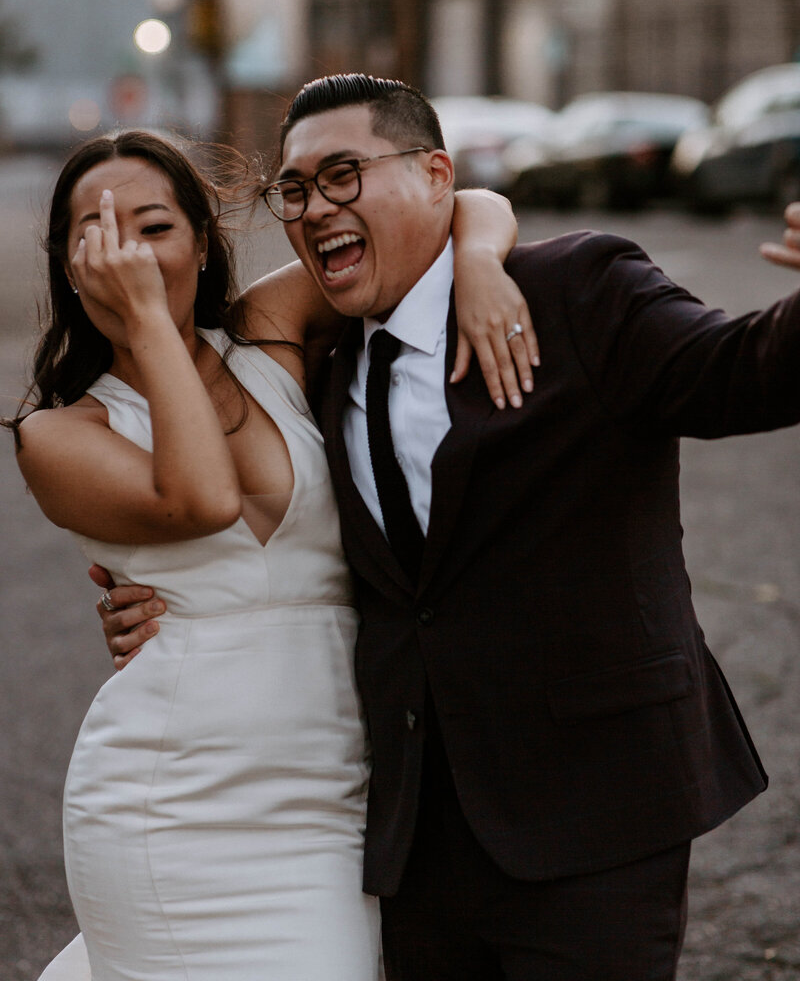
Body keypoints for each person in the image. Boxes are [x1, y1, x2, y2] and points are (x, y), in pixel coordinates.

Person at [104, 75, 800, 981]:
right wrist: (157, 597)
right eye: (297, 189)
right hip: (414, 832)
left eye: (345, 174)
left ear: (437, 176)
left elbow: (738, 371)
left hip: (597, 811)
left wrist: (481, 250)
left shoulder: (575, 290)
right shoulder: (313, 357)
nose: (316, 208)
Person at [9, 128, 536, 981]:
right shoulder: (58, 433)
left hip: (335, 798)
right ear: (71, 264)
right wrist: (149, 322)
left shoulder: (267, 331)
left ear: (203, 241)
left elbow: (461, 207)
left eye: (154, 227)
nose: (131, 256)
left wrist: (475, 265)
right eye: (99, 235)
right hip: (167, 803)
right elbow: (200, 500)